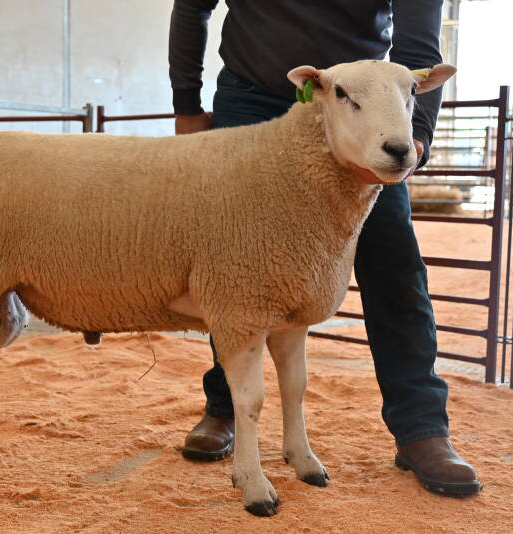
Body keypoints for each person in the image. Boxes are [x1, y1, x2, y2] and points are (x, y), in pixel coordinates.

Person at [169, 0, 480, 496]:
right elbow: (192, 6)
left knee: (391, 255)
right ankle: (226, 406)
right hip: (253, 98)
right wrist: (185, 103)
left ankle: (423, 429)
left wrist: (415, 137)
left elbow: (418, 41)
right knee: (234, 262)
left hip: (361, 100)